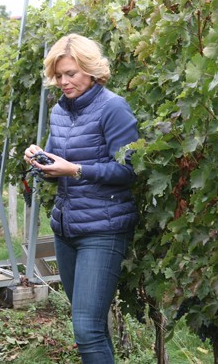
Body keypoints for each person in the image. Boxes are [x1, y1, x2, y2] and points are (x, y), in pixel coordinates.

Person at [24, 33, 139, 363]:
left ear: (90, 70)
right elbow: (56, 164)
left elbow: (128, 170)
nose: (63, 81)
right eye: (58, 75)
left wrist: (75, 169)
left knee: (86, 329)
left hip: (103, 229)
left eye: (70, 73)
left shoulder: (113, 108)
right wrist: (40, 161)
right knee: (92, 328)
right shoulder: (60, 111)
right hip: (66, 228)